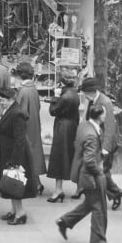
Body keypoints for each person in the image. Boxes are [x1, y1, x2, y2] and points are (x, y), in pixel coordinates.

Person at [56, 103, 114, 243]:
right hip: (92, 177)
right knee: (99, 208)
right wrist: (99, 170)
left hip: (85, 174)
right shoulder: (91, 135)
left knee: (90, 203)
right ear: (100, 116)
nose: (105, 116)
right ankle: (98, 241)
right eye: (105, 114)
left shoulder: (85, 126)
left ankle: (65, 221)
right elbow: (89, 161)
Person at [0, 85, 39, 225]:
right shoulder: (10, 109)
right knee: (10, 182)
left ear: (10, 99)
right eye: (0, 99)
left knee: (14, 182)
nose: (1, 102)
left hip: (14, 153)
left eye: (3, 99)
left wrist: (15, 161)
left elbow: (19, 139)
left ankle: (20, 213)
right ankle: (14, 210)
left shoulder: (16, 113)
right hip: (9, 151)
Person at [79, 76, 122, 208]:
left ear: (89, 92)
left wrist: (105, 149)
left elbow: (110, 128)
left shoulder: (105, 102)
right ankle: (101, 195)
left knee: (103, 171)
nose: (83, 94)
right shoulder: (93, 100)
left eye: (84, 92)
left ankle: (115, 193)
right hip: (95, 141)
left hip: (105, 143)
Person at [46, 70, 80, 201]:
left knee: (58, 157)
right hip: (73, 125)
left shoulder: (64, 96)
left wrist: (54, 98)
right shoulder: (74, 93)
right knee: (73, 155)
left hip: (63, 128)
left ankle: (58, 189)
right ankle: (79, 187)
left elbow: (53, 111)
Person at [12, 61, 46, 187]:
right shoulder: (32, 88)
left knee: (26, 151)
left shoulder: (24, 91)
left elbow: (19, 111)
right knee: (33, 150)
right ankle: (36, 182)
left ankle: (34, 183)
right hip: (34, 123)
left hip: (25, 125)